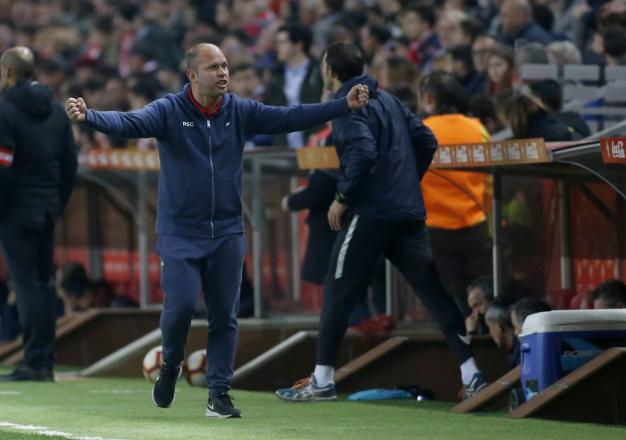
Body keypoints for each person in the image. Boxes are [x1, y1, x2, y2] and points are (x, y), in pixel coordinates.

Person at [65, 43, 369, 418]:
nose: (223, 72)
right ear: (192, 75)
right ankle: (171, 363)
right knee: (179, 309)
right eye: (213, 67)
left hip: (227, 231)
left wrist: (343, 105)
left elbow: (290, 116)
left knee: (225, 316)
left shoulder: (239, 110)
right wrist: (90, 116)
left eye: (225, 65)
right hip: (179, 233)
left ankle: (219, 393)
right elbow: (129, 122)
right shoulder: (168, 111)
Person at [275, 42, 487, 403]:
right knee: (433, 291)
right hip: (406, 211)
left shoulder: (347, 103)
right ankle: (472, 373)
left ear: (330, 71)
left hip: (372, 211)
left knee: (338, 289)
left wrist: (342, 198)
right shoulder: (388, 99)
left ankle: (322, 381)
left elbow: (362, 152)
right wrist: (406, 182)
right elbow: (425, 139)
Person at [0, 46, 78, 381]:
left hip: (15, 210)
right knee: (44, 284)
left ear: (7, 73)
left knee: (27, 285)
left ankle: (34, 362)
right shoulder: (57, 110)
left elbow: (2, 165)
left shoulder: (4, 110)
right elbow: (70, 163)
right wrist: (56, 203)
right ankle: (44, 360)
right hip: (46, 208)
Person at [417, 71, 492, 316]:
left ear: (429, 99)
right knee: (481, 296)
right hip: (475, 228)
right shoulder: (477, 129)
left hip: (434, 230)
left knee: (446, 300)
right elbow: (491, 180)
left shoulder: (419, 131)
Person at [485, 298, 519, 368]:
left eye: (490, 328)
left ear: (499, 327)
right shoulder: (512, 350)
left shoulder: (521, 349)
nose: (490, 333)